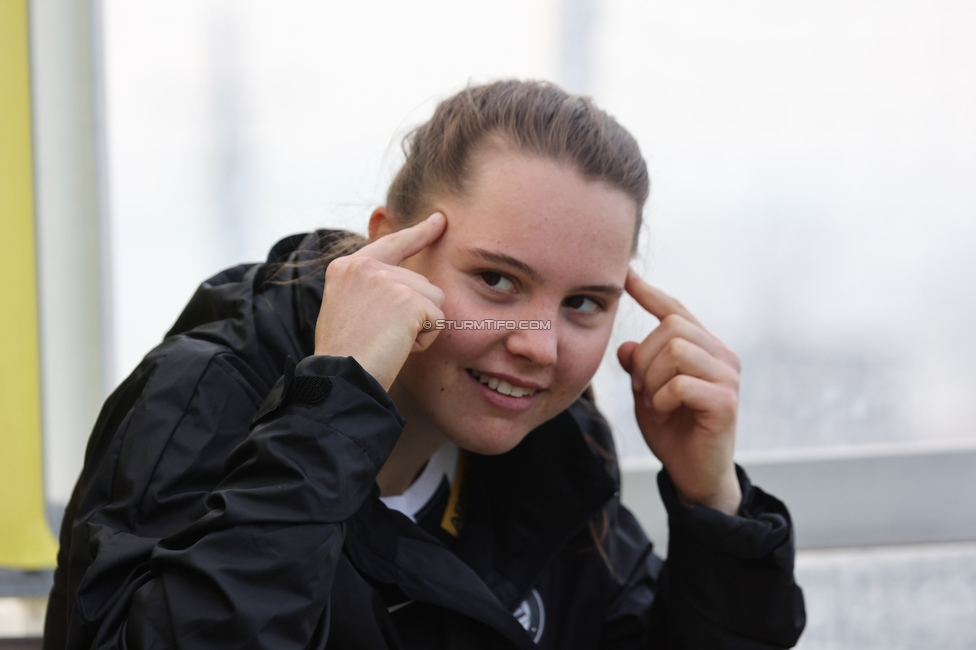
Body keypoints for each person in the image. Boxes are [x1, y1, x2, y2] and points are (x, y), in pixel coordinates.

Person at [44, 80, 805, 649]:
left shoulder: (556, 447)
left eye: (584, 304)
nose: (539, 346)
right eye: (498, 281)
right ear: (387, 247)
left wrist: (715, 509)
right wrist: (329, 409)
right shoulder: (204, 393)